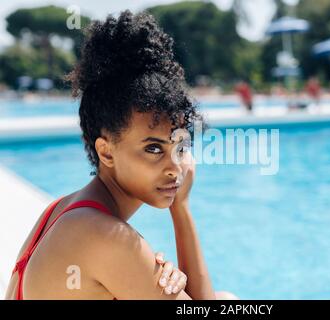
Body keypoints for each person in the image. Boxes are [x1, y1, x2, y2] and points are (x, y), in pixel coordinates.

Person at [5, 10, 237, 300]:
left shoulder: (60, 210)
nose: (174, 167)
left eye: (179, 147)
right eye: (153, 148)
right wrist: (182, 209)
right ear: (106, 151)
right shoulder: (104, 237)